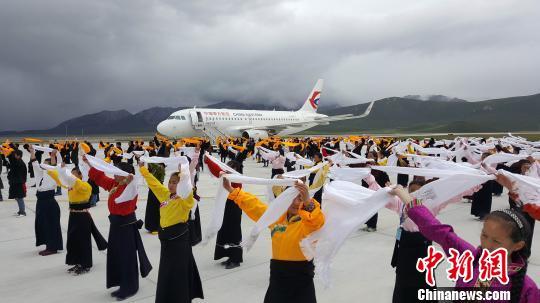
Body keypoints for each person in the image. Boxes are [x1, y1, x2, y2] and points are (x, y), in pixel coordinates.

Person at [391, 186, 539, 303]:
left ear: (517, 245)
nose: (487, 245)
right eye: (484, 235)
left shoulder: (527, 289)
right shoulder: (469, 257)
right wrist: (404, 195)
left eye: (496, 241)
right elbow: (438, 231)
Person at [221, 172, 325, 303]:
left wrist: (308, 203)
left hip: (302, 280)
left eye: (299, 198)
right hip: (278, 277)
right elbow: (255, 206)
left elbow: (316, 221)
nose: (294, 202)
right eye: (291, 198)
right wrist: (232, 190)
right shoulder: (276, 218)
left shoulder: (308, 223)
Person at [84, 155, 152, 301]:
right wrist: (89, 163)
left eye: (116, 172)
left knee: (127, 257)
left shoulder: (131, 187)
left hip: (126, 227)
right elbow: (100, 178)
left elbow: (134, 180)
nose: (113, 174)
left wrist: (132, 175)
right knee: (117, 256)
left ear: (124, 175)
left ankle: (130, 287)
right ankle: (121, 283)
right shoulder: (115, 184)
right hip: (116, 226)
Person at [138, 157, 204, 303]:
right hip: (166, 244)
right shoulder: (165, 195)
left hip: (179, 244)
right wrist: (143, 169)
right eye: (170, 181)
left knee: (178, 275)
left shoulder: (185, 200)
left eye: (175, 182)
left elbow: (188, 187)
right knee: (167, 274)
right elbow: (154, 184)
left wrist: (186, 172)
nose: (171, 185)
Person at [58, 163, 107, 275]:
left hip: (82, 217)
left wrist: (65, 170)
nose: (71, 176)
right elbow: (63, 179)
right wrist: (60, 170)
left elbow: (73, 180)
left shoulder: (85, 186)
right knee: (73, 240)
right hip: (73, 216)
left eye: (74, 174)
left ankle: (86, 264)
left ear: (80, 176)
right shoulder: (72, 185)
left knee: (83, 241)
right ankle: (77, 262)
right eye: (71, 174)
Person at [30, 147, 63, 255]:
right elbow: (34, 163)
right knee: (42, 224)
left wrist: (53, 156)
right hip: (41, 201)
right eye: (43, 164)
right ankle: (48, 245)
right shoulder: (40, 173)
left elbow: (53, 167)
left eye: (45, 164)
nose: (42, 165)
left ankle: (52, 248)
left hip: (49, 202)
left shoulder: (53, 174)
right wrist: (32, 152)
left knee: (51, 225)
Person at [214, 160, 244, 269]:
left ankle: (236, 259)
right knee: (225, 230)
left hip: (234, 208)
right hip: (226, 207)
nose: (228, 169)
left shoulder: (237, 179)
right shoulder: (228, 177)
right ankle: (229, 256)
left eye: (231, 168)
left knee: (233, 232)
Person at [7, 149, 27, 217]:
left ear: (18, 156)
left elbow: (18, 173)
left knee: (19, 197)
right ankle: (20, 211)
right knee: (16, 197)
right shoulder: (17, 161)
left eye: (15, 155)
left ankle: (22, 212)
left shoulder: (19, 163)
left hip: (19, 183)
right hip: (16, 182)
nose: (13, 156)